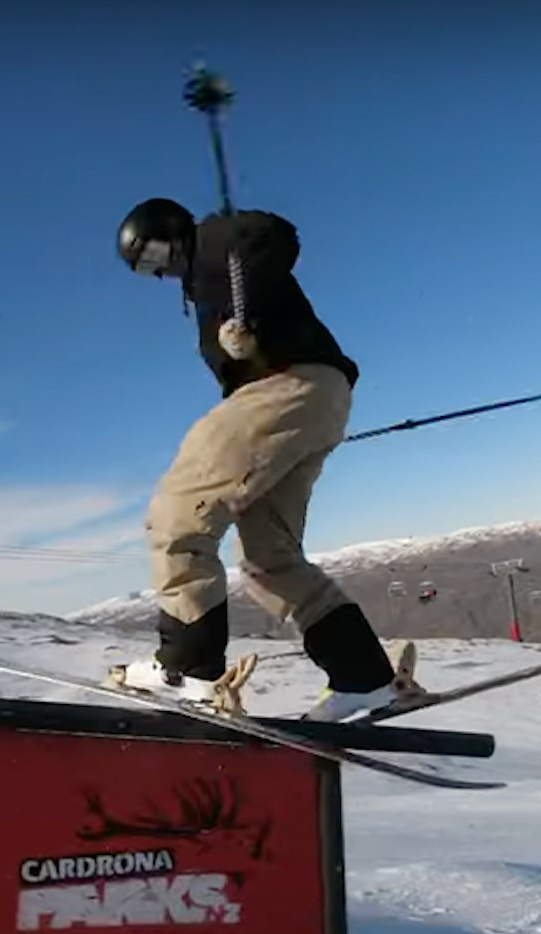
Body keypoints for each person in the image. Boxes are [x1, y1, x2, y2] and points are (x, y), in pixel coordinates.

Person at [113, 197, 412, 722]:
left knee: (178, 514)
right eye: (144, 270)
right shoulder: (205, 282)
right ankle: (362, 678)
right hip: (314, 394)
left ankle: (188, 669)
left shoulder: (214, 244)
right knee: (270, 557)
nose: (158, 271)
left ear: (170, 230)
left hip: (287, 387)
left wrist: (239, 280)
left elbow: (273, 234)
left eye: (154, 254)